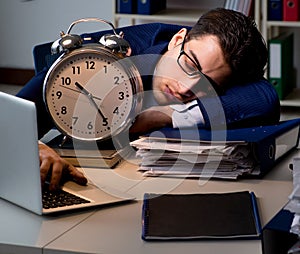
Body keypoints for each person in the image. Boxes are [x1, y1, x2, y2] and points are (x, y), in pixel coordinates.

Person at [17, 8, 280, 190]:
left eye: (207, 85)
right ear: (178, 39)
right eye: (190, 64)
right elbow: (13, 118)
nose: (187, 88)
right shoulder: (107, 57)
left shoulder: (220, 63)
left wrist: (167, 116)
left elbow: (265, 100)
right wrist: (33, 146)